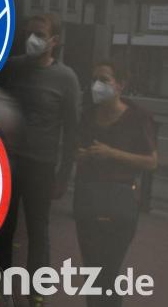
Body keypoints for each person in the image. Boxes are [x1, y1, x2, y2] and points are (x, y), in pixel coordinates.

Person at [0, 13, 80, 307]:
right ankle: (0, 288)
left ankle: (37, 293)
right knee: (3, 227)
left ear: (54, 41)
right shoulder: (13, 67)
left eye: (40, 34)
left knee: (38, 230)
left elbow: (72, 130)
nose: (32, 39)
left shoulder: (66, 78)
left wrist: (63, 176)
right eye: (30, 33)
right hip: (8, 163)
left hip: (41, 166)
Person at [73, 62, 157, 307]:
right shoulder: (88, 114)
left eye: (104, 80)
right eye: (94, 79)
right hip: (88, 196)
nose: (96, 86)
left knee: (108, 269)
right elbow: (76, 148)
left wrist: (111, 153)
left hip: (119, 201)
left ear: (120, 85)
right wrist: (81, 155)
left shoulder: (138, 117)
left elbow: (151, 161)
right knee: (91, 269)